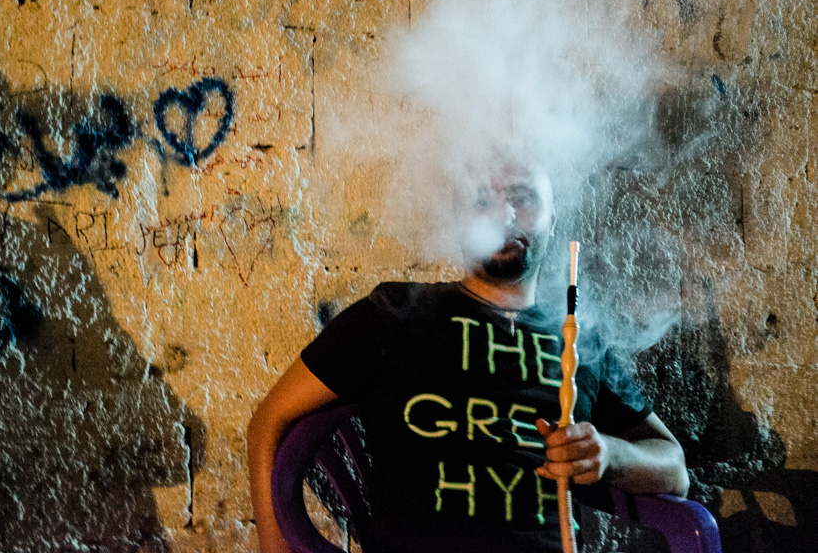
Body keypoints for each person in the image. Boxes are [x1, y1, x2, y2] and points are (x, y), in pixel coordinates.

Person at [247, 162, 689, 553]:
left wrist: (610, 455)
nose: (503, 216)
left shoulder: (578, 340)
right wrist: (274, 546)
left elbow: (674, 469)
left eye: (523, 197)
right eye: (481, 201)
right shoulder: (393, 314)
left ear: (553, 217)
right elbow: (270, 420)